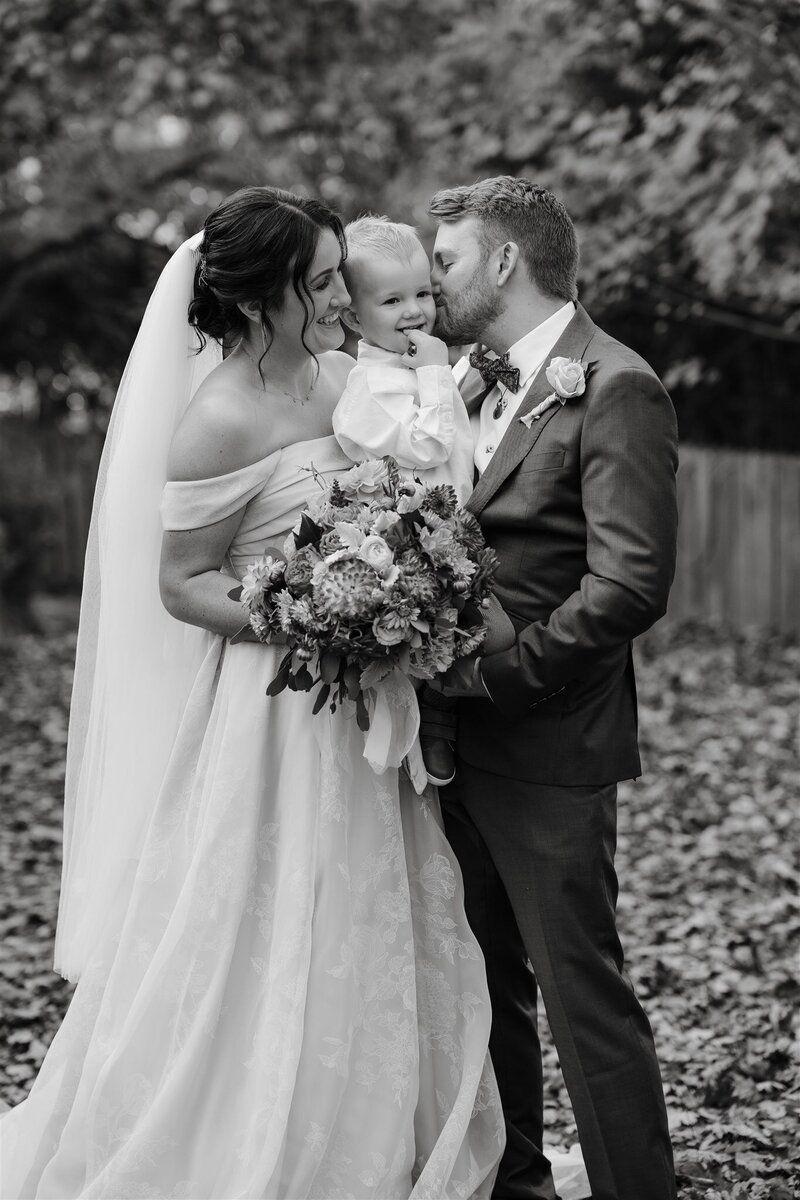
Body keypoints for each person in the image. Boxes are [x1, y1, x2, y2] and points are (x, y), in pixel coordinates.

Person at [0, 187, 505, 1199]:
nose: (335, 297)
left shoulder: (340, 380)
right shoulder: (214, 420)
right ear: (263, 294)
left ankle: (374, 1140)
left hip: (360, 697)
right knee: (253, 924)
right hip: (263, 710)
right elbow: (182, 584)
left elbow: (403, 491)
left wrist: (404, 575)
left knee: (367, 910)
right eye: (317, 282)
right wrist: (314, 619)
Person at [429, 177, 679, 1200]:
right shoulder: (448, 381)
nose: (431, 277)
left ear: (501, 262)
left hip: (546, 742)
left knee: (581, 995)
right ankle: (515, 1184)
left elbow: (628, 583)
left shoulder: (616, 385)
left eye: (444, 258)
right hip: (443, 741)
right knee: (480, 991)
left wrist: (503, 678)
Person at [331, 214, 505, 787]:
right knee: (431, 647)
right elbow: (429, 441)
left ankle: (455, 722)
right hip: (416, 543)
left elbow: (454, 430)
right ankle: (434, 727)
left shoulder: (420, 371)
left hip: (466, 527)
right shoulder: (366, 394)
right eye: (392, 300)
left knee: (469, 636)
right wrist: (437, 371)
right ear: (354, 315)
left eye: (423, 293)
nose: (415, 311)